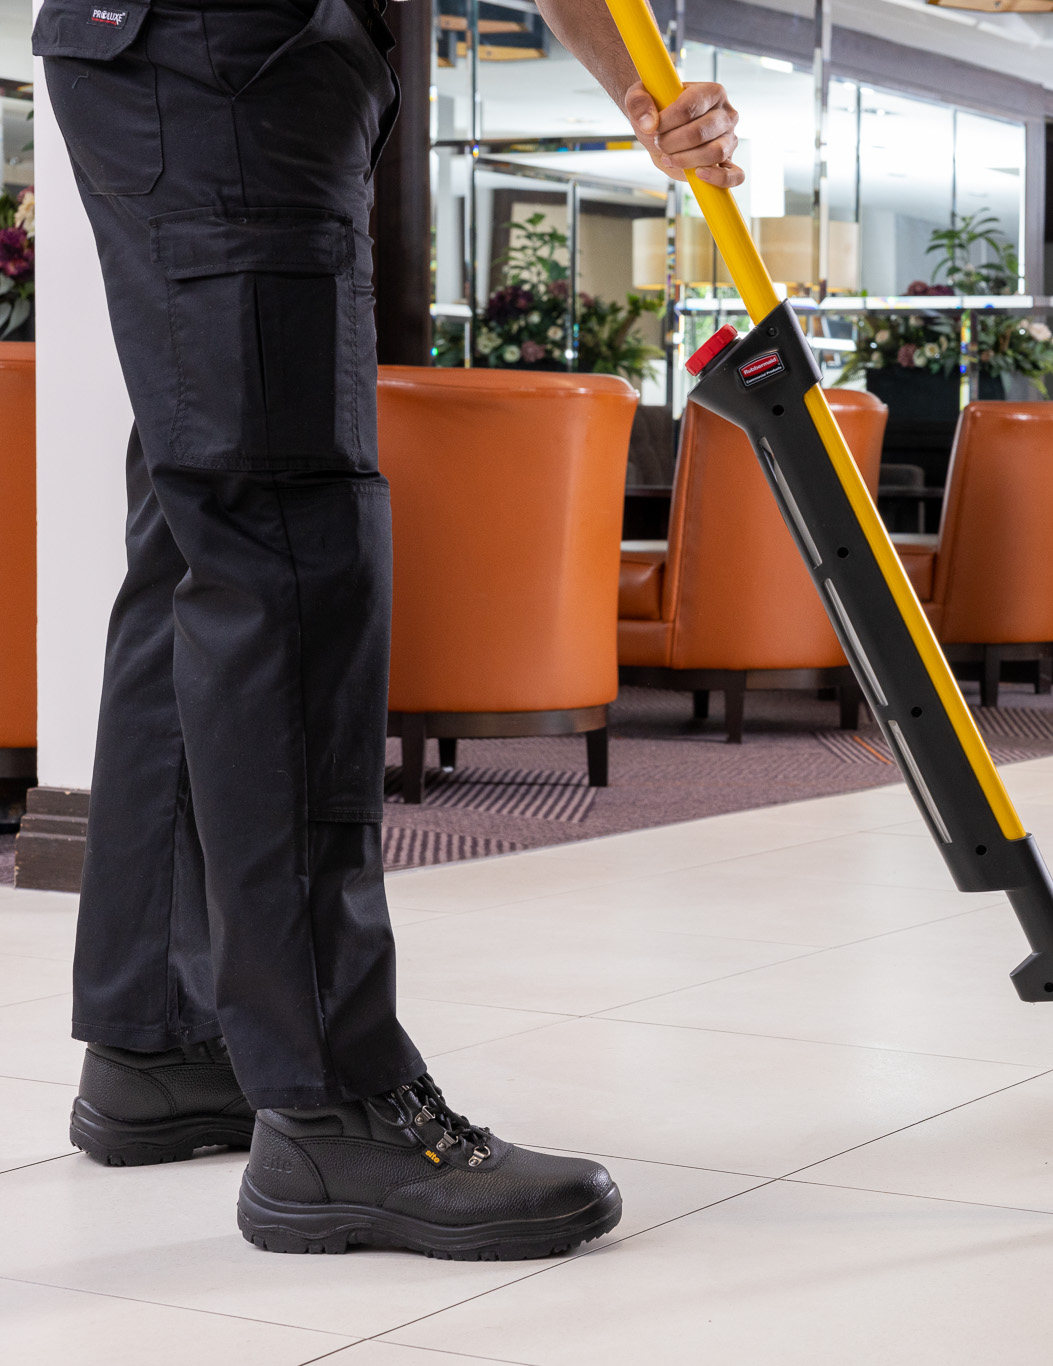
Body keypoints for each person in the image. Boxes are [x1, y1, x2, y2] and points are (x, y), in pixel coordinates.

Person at [33, 0, 741, 1260]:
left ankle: (158, 1037)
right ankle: (332, 1103)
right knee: (288, 535)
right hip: (234, 54)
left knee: (206, 513)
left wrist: (644, 92)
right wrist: (641, 89)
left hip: (183, 56)